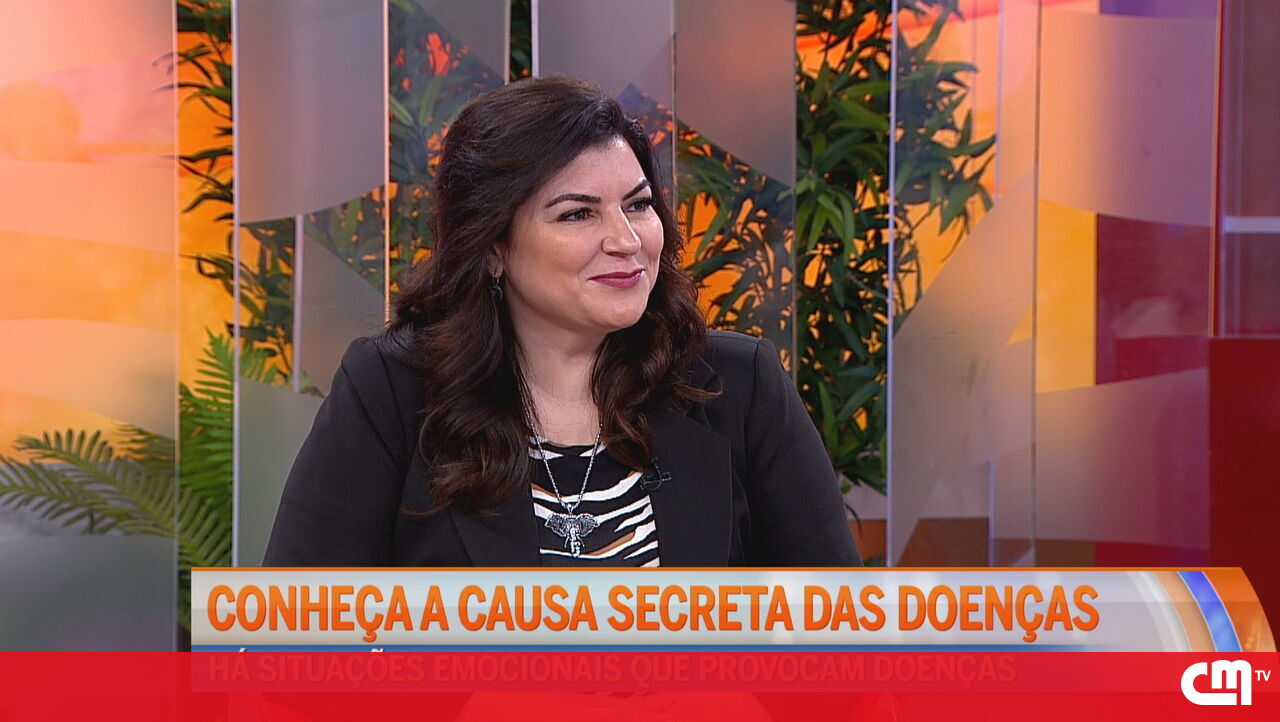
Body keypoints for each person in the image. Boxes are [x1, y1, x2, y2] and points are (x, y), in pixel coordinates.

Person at [264, 76, 860, 567]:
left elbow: (838, 638)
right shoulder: (391, 390)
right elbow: (297, 634)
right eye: (577, 214)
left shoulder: (739, 386)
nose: (626, 240)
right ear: (492, 247)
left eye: (638, 205)